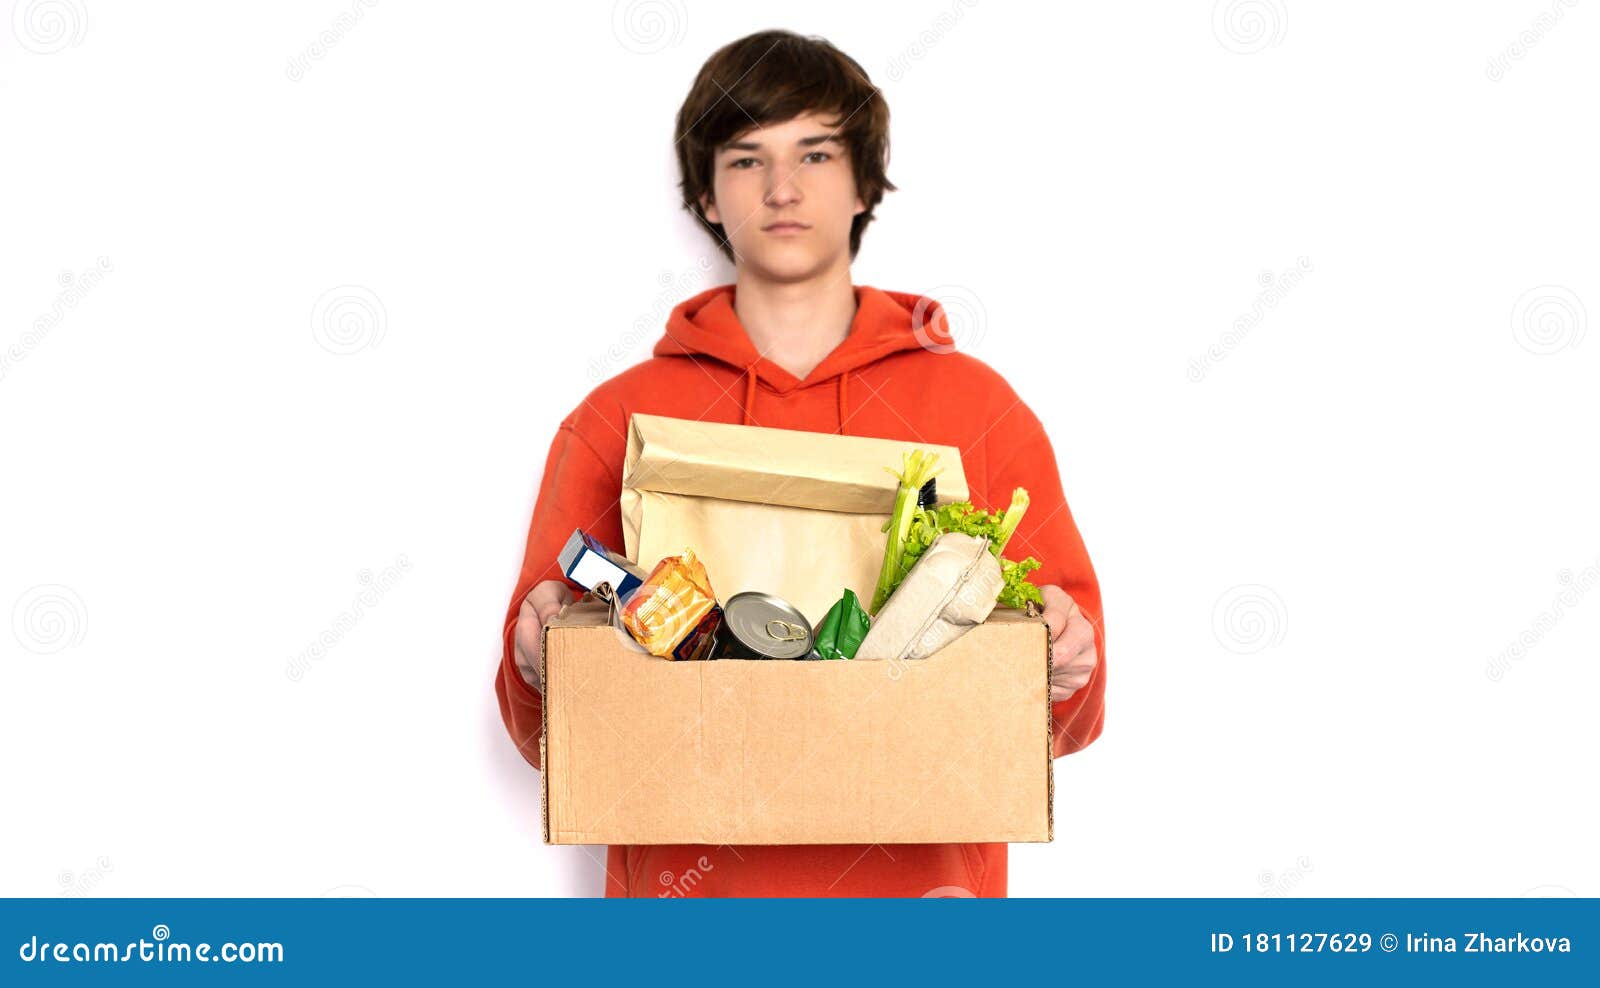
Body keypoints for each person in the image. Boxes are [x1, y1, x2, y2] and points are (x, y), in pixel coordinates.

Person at [496, 29, 1104, 897]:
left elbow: (1066, 713)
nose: (782, 189)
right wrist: (536, 657)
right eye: (746, 160)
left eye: (815, 153)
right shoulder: (615, 420)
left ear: (865, 183)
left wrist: (1067, 661)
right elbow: (543, 729)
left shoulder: (980, 410)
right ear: (706, 197)